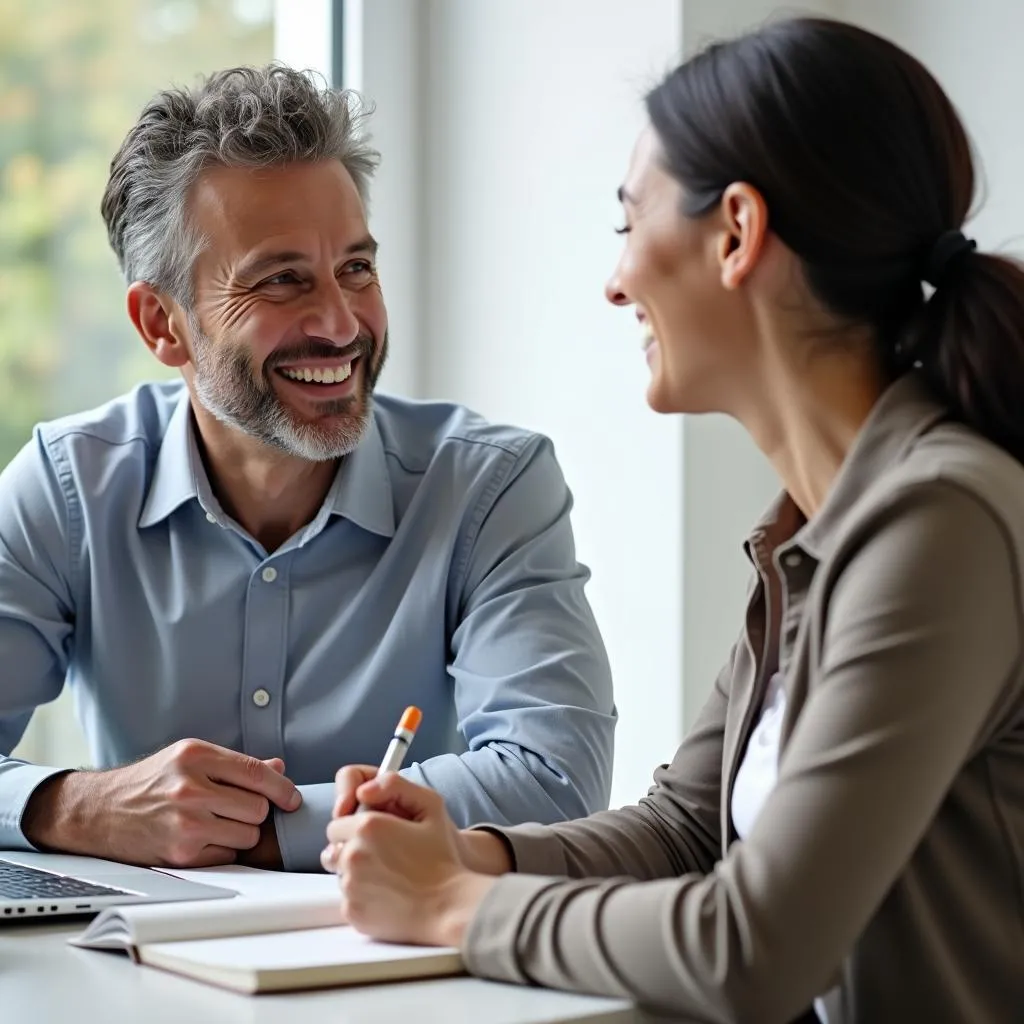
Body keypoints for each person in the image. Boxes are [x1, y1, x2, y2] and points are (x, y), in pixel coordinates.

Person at [321, 17, 1024, 1023]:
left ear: (736, 232)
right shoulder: (814, 532)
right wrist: (473, 851)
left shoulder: (938, 524)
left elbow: (753, 947)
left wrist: (451, 902)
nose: (614, 283)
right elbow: (687, 827)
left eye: (626, 223)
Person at [0, 65, 616, 873]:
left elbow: (556, 775)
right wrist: (84, 806)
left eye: (356, 268)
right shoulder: (68, 484)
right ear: (163, 324)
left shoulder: (491, 486)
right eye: (282, 279)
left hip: (401, 970)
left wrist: (258, 833)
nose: (340, 324)